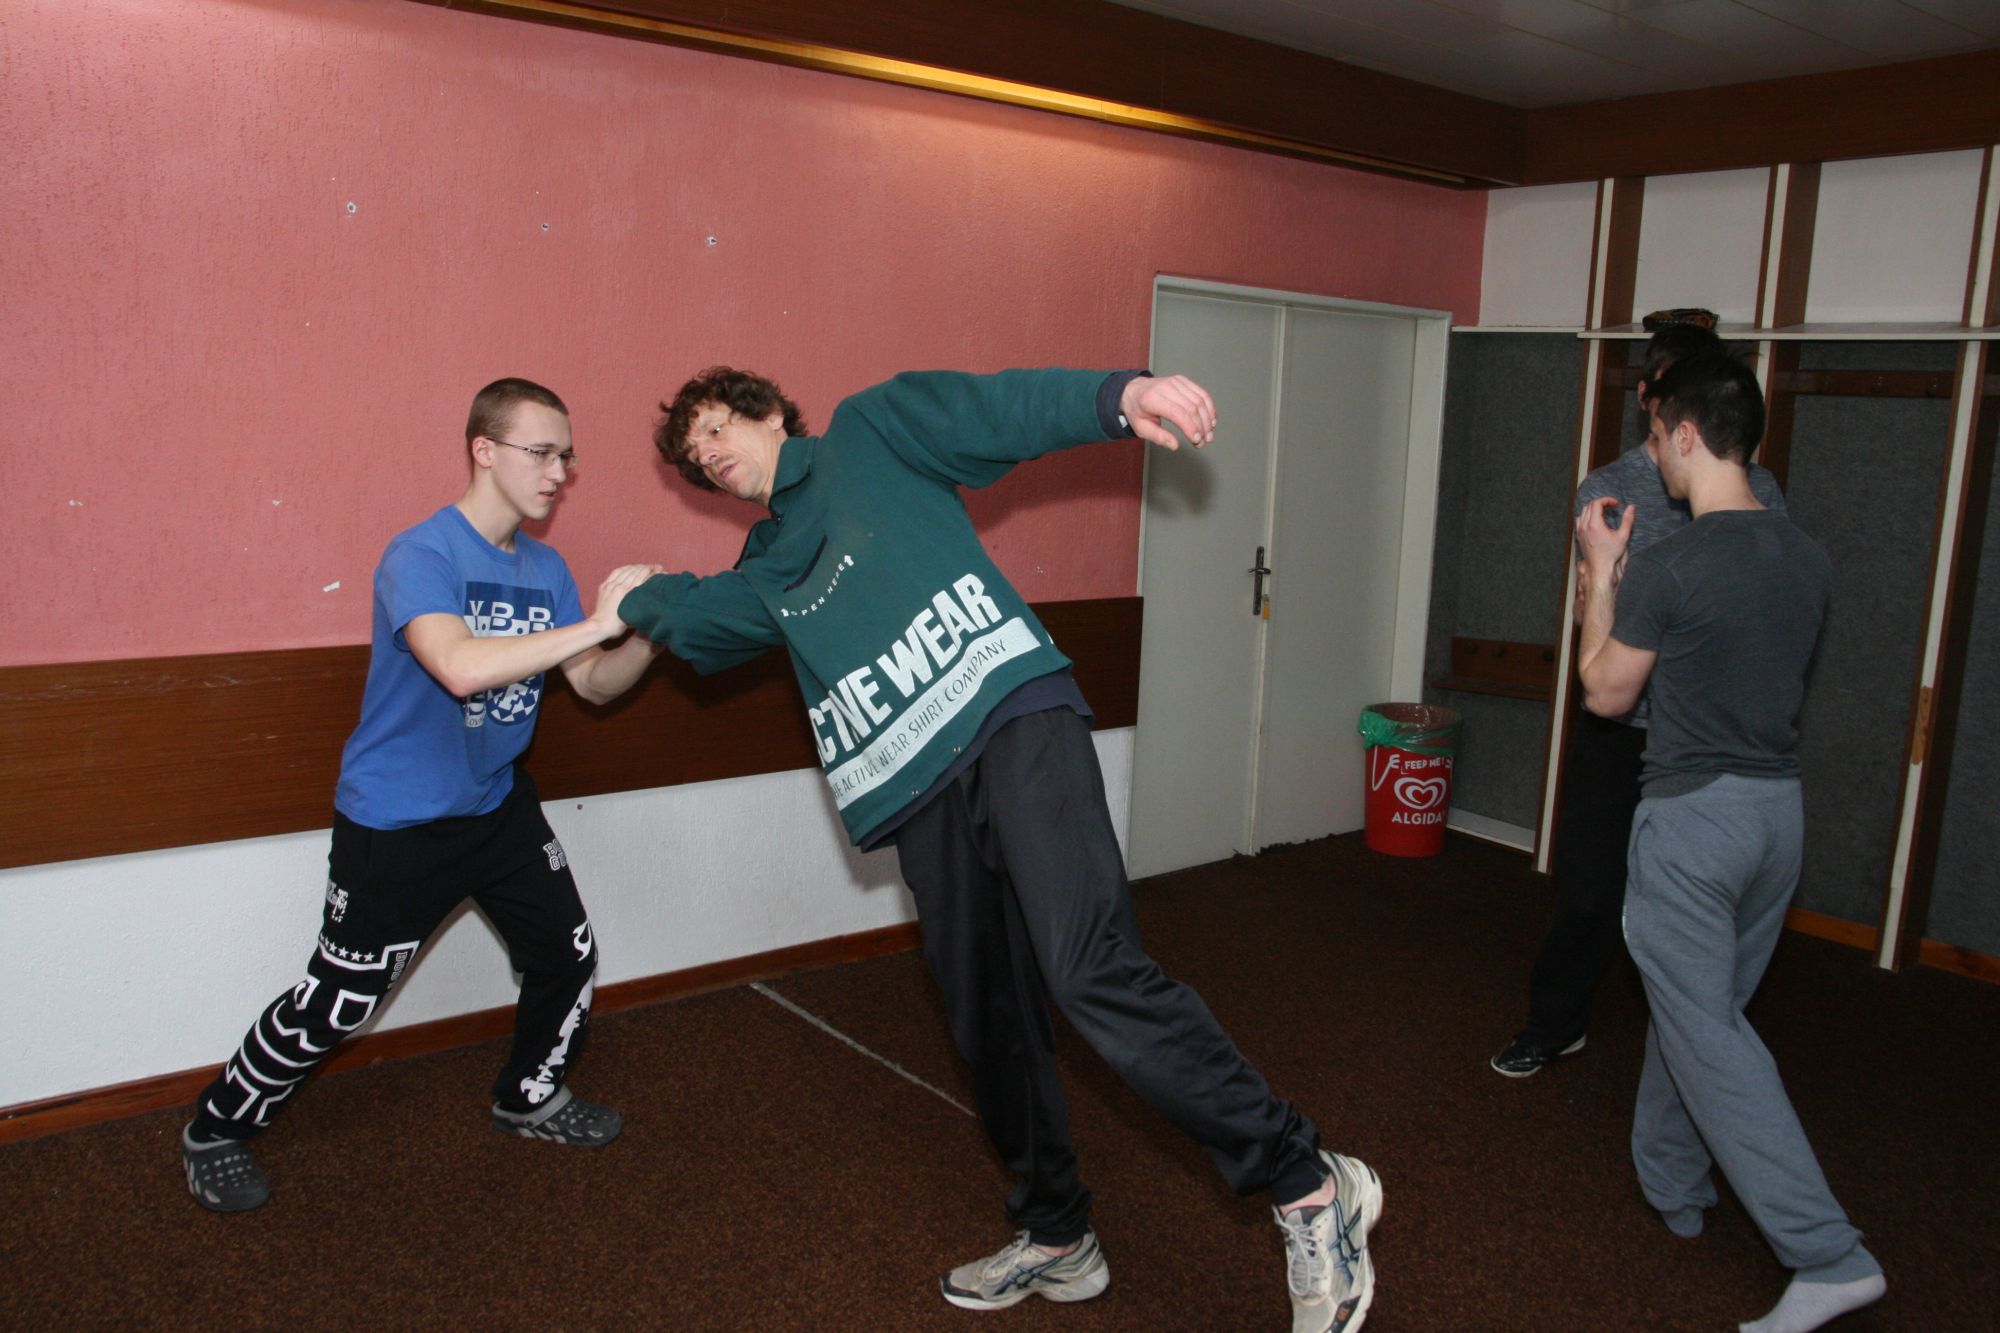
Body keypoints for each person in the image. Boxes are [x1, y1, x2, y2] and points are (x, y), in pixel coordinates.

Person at [620, 367, 1381, 1332]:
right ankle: (1058, 1234)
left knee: (1087, 968)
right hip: (917, 786)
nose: (711, 456)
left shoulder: (866, 434)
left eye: (717, 428)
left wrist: (1118, 398)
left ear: (769, 413)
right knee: (987, 1017)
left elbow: (993, 411)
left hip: (1013, 718)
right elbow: (698, 623)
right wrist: (638, 597)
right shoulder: (767, 568)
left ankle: (1309, 1182)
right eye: (696, 457)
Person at [180, 378, 662, 1212]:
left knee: (567, 954)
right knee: (340, 1002)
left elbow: (592, 685)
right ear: (485, 449)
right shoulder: (422, 554)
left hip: (496, 806)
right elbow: (460, 665)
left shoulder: (545, 567)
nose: (559, 472)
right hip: (398, 819)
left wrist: (654, 634)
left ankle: (528, 1096)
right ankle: (216, 1126)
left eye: (567, 456)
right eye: (542, 452)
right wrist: (596, 623)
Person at [1575, 351, 1884, 1333]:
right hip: (1774, 819)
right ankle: (1672, 1178)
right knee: (1700, 1012)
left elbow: (1604, 692)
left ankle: (1827, 1255)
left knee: (1711, 1035)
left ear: (1685, 434)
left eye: (1657, 435)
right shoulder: (1806, 556)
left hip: (1692, 823)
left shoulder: (1672, 562)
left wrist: (1600, 573)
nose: (1653, 457)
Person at [1490, 323, 1787, 1078]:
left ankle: (1700, 1044)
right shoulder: (1610, 488)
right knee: (1589, 889)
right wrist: (1607, 584)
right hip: (1625, 727)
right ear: (1653, 401)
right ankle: (1554, 1025)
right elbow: (1598, 630)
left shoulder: (1759, 494)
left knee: (1702, 911)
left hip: (1707, 741)